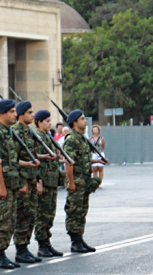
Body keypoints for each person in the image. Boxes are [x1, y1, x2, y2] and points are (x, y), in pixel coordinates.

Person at [0, 99, 22, 269]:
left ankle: (3, 252)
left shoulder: (8, 132)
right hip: (3, 184)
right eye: (12, 112)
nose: (15, 115)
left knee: (10, 220)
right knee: (2, 219)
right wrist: (1, 186)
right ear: (2, 114)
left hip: (11, 183)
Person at [63, 110, 103, 253]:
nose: (85, 121)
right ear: (75, 122)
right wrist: (71, 182)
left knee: (82, 210)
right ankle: (75, 241)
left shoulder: (81, 138)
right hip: (77, 180)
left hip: (84, 179)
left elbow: (82, 159)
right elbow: (69, 162)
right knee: (74, 211)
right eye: (82, 119)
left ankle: (80, 238)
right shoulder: (72, 139)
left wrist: (96, 160)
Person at [11, 100, 43, 264]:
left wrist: (38, 180)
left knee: (31, 215)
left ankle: (25, 247)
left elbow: (34, 157)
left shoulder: (29, 131)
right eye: (29, 113)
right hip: (23, 180)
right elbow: (13, 159)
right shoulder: (15, 131)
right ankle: (20, 249)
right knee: (22, 215)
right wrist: (20, 182)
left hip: (31, 178)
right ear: (21, 115)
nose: (33, 115)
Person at [33, 109, 64, 258]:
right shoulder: (37, 137)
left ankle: (47, 242)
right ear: (39, 122)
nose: (49, 123)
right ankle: (41, 244)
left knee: (50, 213)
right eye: (46, 121)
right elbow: (34, 157)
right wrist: (38, 182)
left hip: (51, 180)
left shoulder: (48, 137)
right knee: (42, 214)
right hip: (43, 180)